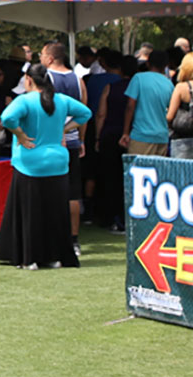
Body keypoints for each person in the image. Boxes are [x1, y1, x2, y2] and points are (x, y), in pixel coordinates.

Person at [0, 64, 91, 270]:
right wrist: (65, 129)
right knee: (54, 212)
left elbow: (7, 118)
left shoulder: (25, 100)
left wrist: (19, 134)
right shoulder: (61, 100)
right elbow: (85, 113)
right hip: (57, 163)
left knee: (31, 212)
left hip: (30, 163)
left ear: (29, 80)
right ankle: (55, 256)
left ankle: (30, 258)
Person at [39, 43, 87, 251]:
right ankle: (73, 239)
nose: (40, 58)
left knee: (49, 189)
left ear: (50, 58)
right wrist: (81, 139)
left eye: (42, 54)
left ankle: (53, 236)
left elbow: (44, 111)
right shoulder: (78, 79)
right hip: (73, 140)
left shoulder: (47, 78)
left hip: (52, 141)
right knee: (73, 192)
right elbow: (83, 112)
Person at [84, 50, 129, 229]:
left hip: (104, 132)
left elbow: (100, 113)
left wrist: (97, 136)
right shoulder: (130, 85)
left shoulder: (98, 82)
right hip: (126, 133)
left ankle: (99, 213)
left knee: (101, 174)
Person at [119, 48, 174, 156]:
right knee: (158, 167)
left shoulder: (138, 78)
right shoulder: (169, 84)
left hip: (141, 135)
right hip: (162, 137)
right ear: (165, 66)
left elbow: (130, 106)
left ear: (148, 63)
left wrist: (125, 132)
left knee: (138, 166)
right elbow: (171, 111)